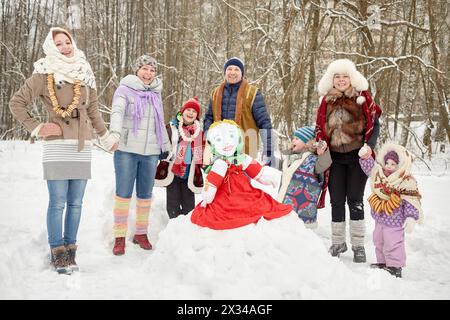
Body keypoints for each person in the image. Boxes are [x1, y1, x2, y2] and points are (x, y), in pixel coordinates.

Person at [9, 27, 115, 274]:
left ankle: (70, 251)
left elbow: (93, 111)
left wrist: (106, 136)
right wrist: (37, 127)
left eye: (67, 42)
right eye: (59, 43)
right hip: (57, 146)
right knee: (58, 202)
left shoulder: (84, 72)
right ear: (50, 46)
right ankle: (57, 251)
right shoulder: (44, 73)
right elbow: (16, 103)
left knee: (76, 203)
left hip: (81, 146)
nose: (65, 46)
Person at [315, 58, 382, 262]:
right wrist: (320, 143)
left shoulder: (363, 98)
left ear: (351, 78)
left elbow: (375, 125)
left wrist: (369, 147)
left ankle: (358, 245)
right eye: (337, 76)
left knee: (355, 200)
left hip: (357, 158)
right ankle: (338, 242)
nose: (341, 80)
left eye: (345, 76)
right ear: (331, 79)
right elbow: (319, 127)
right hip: (334, 159)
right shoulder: (326, 101)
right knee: (336, 201)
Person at [108, 54, 172, 255]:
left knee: (145, 195)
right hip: (127, 150)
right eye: (145, 68)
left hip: (150, 153)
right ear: (137, 70)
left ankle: (141, 233)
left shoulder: (155, 94)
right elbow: (117, 112)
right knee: (123, 194)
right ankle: (119, 237)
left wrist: (165, 146)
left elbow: (159, 123)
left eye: (152, 70)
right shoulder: (124, 90)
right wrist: (115, 134)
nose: (148, 73)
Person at [191, 120, 292, 230]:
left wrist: (270, 178)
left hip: (246, 192)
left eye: (231, 137)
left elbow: (257, 172)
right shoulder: (219, 164)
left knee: (258, 202)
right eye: (219, 139)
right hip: (225, 196)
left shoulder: (243, 158)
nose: (226, 143)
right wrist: (207, 196)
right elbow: (211, 186)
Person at [359, 142, 423, 278]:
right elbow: (370, 168)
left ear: (400, 166)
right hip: (380, 217)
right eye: (387, 162)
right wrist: (366, 157)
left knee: (392, 242)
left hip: (395, 220)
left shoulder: (405, 180)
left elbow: (410, 200)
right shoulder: (379, 174)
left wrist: (411, 217)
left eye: (393, 164)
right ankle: (382, 262)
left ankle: (395, 266)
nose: (388, 166)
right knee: (379, 240)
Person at [203, 57, 273, 165]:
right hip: (219, 150)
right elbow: (209, 117)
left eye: (236, 69)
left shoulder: (252, 93)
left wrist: (268, 150)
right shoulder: (216, 92)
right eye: (229, 69)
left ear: (242, 73)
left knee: (241, 181)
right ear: (225, 72)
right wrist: (208, 140)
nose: (232, 72)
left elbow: (264, 122)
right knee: (219, 180)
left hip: (245, 149)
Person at [155, 97, 204, 219]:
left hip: (189, 174)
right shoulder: (171, 127)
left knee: (189, 207)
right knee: (172, 204)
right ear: (182, 111)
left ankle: (186, 229)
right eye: (188, 110)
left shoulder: (198, 132)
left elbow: (201, 154)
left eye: (194, 111)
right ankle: (173, 227)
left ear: (197, 115)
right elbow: (161, 145)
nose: (191, 113)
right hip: (173, 173)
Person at [277, 127, 332, 228]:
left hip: (303, 217)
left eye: (297, 139)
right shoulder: (289, 159)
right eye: (293, 138)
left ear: (307, 143)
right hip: (283, 209)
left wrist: (323, 152)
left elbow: (326, 163)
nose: (293, 140)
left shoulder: (314, 161)